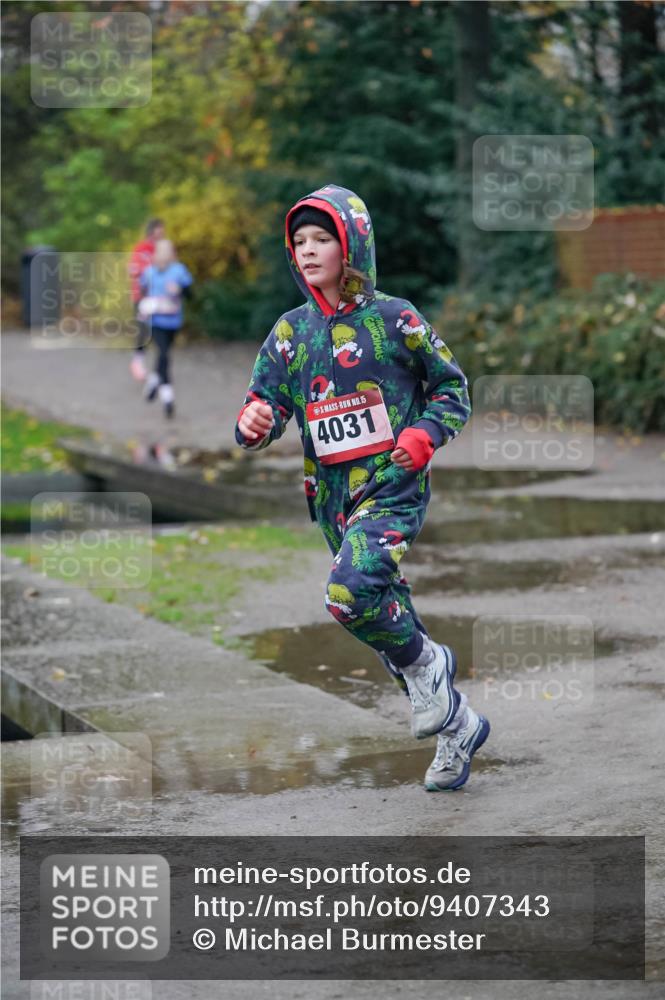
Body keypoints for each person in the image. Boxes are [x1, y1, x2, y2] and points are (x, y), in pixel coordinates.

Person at [234, 184, 490, 792]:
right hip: (331, 503)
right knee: (384, 614)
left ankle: (431, 665)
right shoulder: (290, 333)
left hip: (393, 487)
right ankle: (458, 726)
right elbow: (261, 404)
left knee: (349, 594)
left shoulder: (395, 319)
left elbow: (453, 391)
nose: (310, 250)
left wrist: (426, 435)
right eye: (300, 242)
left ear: (353, 244)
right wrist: (252, 423)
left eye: (323, 238)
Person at [138, 239, 193, 419]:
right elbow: (142, 293)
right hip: (155, 322)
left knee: (164, 355)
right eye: (160, 251)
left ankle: (154, 381)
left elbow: (191, 294)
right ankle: (168, 400)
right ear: (155, 254)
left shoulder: (179, 271)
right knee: (163, 355)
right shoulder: (149, 272)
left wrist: (179, 289)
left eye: (167, 251)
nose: (163, 254)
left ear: (172, 254)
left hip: (173, 322)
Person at [128, 218, 165, 382]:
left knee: (159, 332)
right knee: (143, 330)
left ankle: (159, 368)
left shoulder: (163, 249)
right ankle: (138, 361)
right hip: (142, 297)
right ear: (152, 231)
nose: (162, 233)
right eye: (159, 229)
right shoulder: (142, 249)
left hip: (160, 298)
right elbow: (134, 270)